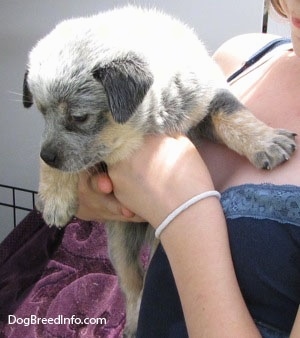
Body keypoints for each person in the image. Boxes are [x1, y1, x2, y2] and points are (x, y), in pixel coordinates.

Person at [76, 0, 300, 336]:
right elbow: (92, 192)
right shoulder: (240, 57)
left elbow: (172, 200)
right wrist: (94, 187)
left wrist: (184, 213)